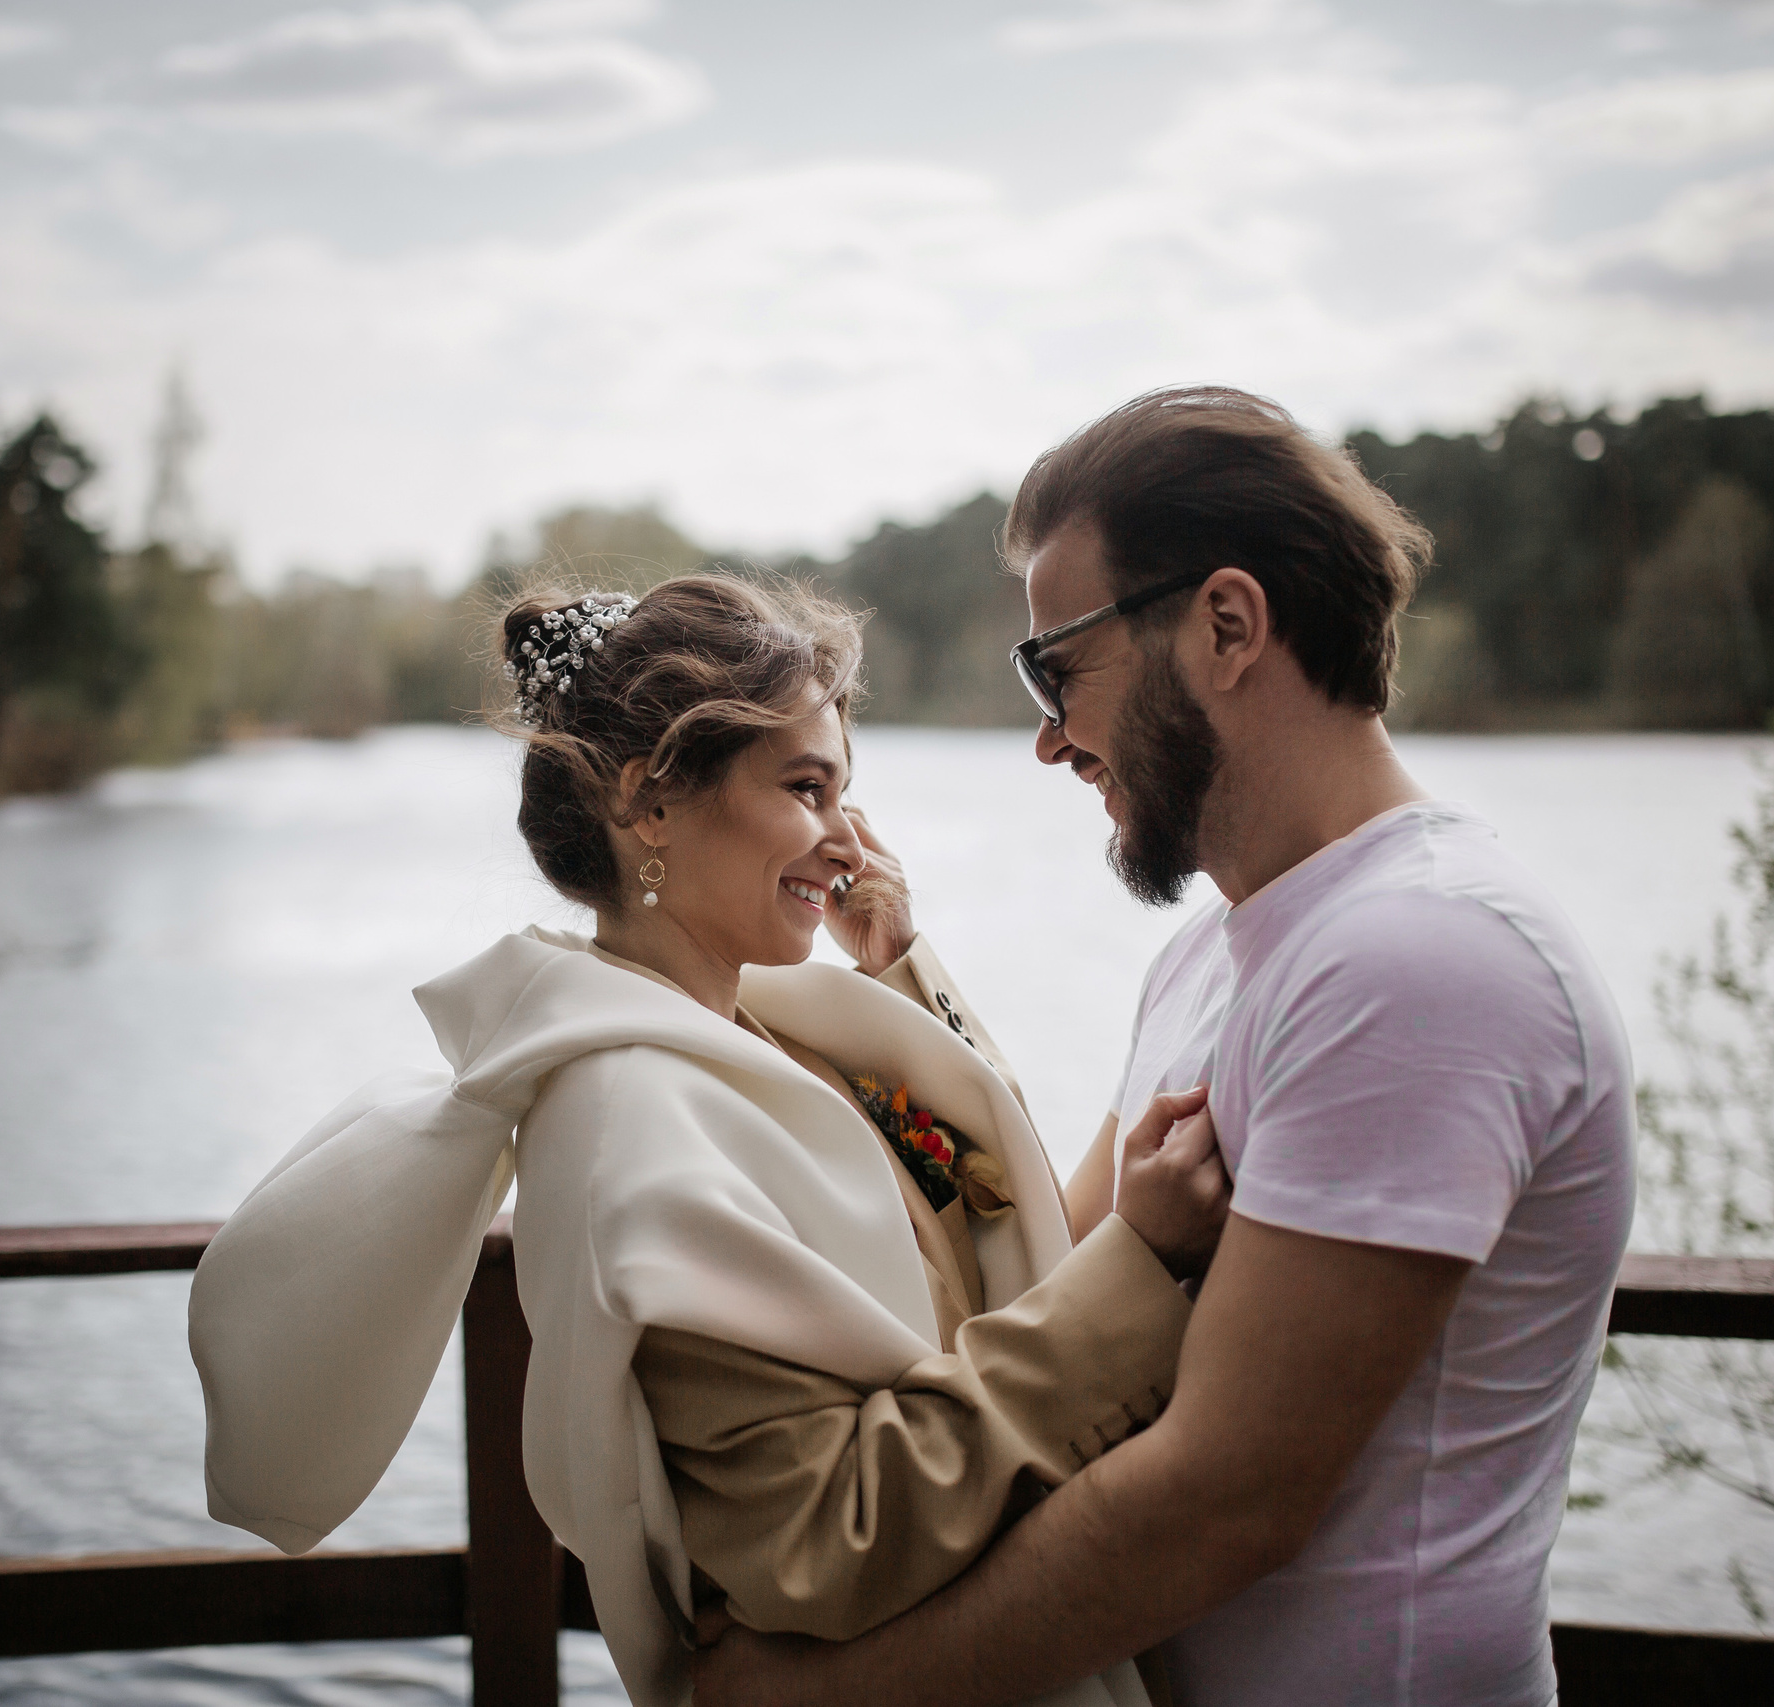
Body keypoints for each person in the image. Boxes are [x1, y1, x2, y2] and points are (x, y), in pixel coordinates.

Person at [694, 388, 1637, 1707]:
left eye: (1058, 669)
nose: (1047, 738)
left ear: (1227, 625)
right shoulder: (1217, 957)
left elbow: (1221, 1499)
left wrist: (820, 1697)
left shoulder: (1420, 958)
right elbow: (1040, 1286)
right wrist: (897, 975)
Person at [189, 574, 1233, 1707]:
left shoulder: (759, 1029)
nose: (850, 843)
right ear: (649, 803)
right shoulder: (633, 1128)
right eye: (806, 788)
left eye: (845, 794)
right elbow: (831, 1533)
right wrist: (1139, 1270)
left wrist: (899, 963)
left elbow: (989, 1210)